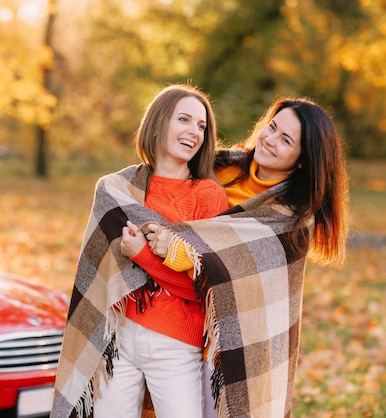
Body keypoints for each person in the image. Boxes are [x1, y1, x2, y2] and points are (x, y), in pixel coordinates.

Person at [124, 97, 349, 417]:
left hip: (227, 342)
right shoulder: (215, 166)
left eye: (285, 140)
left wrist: (179, 247)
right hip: (170, 319)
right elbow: (158, 187)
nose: (269, 140)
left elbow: (241, 268)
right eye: (272, 127)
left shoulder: (292, 219)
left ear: (303, 160)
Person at [51, 84, 229, 418]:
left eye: (202, 126)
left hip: (176, 345)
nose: (194, 131)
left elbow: (205, 290)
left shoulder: (208, 196)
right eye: (185, 120)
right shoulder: (121, 190)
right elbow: (99, 274)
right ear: (159, 123)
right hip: (118, 338)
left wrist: (143, 256)